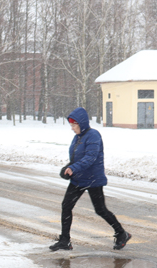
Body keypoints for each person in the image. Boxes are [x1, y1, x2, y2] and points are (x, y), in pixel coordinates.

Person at [50, 107, 131, 252]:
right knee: (66, 206)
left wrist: (74, 168)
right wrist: (68, 168)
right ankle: (65, 241)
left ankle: (121, 233)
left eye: (74, 125)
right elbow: (77, 158)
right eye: (71, 126)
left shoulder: (93, 135)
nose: (72, 129)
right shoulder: (78, 136)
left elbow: (90, 158)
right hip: (78, 179)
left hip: (93, 179)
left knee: (100, 209)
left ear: (81, 124)